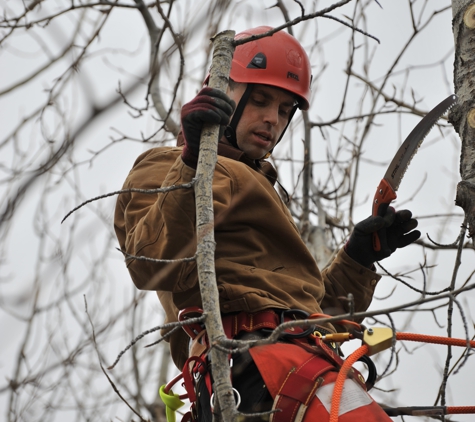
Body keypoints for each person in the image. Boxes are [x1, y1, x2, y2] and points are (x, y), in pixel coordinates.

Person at [114, 26, 420, 421]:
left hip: (296, 356)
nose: (272, 119)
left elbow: (304, 311)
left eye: (285, 109)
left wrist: (357, 260)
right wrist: (192, 160)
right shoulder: (166, 168)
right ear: (224, 93)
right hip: (253, 364)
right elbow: (150, 262)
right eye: (260, 100)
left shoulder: (261, 185)